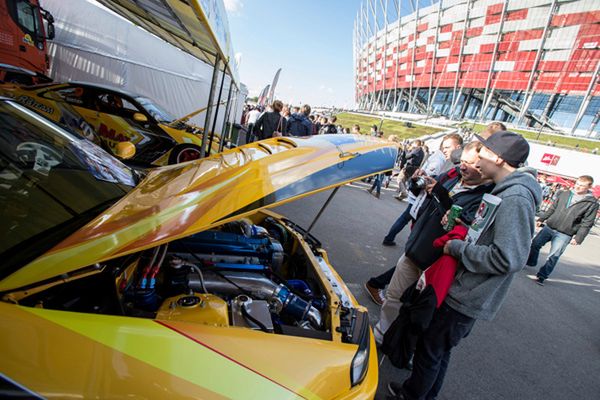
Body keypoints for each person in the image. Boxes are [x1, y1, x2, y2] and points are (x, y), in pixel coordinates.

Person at [387, 131, 541, 400]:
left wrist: (457, 247)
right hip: (462, 287)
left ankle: (411, 395)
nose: (477, 156)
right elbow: (489, 236)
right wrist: (464, 227)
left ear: (499, 158)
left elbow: (509, 258)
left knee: (429, 351)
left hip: (467, 294)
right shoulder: (505, 191)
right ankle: (421, 393)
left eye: (484, 151)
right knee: (436, 352)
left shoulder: (516, 198)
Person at [368, 141, 493, 318]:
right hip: (414, 250)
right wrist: (416, 183)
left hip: (437, 262)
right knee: (393, 297)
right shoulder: (450, 176)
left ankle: (395, 342)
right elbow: (421, 198)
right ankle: (382, 335)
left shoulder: (487, 197)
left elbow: (466, 224)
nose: (462, 166)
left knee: (417, 311)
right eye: (462, 161)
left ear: (483, 165)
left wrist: (441, 194)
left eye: (470, 163)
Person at [383, 135, 462, 247]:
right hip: (423, 200)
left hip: (431, 207)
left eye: (447, 147)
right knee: (411, 222)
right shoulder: (443, 160)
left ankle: (402, 241)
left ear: (458, 147)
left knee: (411, 222)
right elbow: (433, 182)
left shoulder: (451, 165)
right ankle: (400, 241)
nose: (444, 150)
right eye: (443, 147)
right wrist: (424, 178)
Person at [526, 175, 598, 285]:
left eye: (582, 186)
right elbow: (553, 208)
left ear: (589, 187)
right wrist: (542, 218)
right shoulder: (565, 194)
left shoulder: (591, 203)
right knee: (535, 244)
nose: (578, 187)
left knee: (553, 256)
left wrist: (579, 237)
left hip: (565, 233)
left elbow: (587, 223)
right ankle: (531, 261)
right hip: (550, 226)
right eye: (577, 184)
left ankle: (542, 276)